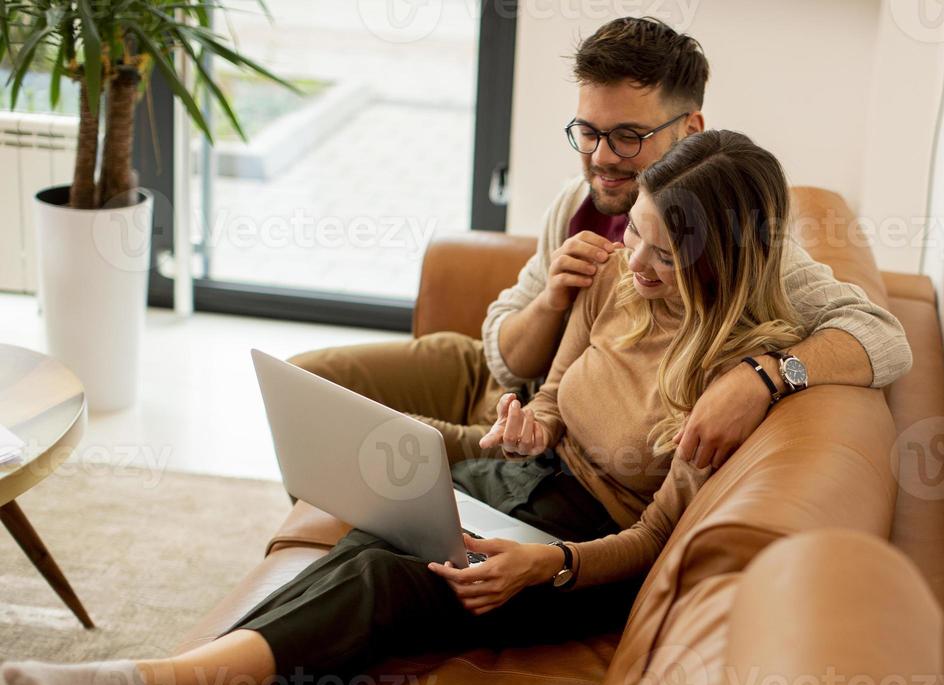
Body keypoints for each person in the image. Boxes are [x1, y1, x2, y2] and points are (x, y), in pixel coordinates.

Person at [2, 131, 826, 685]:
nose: (635, 264)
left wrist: (548, 567)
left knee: (380, 586)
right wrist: (529, 426)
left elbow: (652, 536)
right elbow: (550, 399)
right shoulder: (613, 279)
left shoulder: (730, 378)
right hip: (520, 484)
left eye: (663, 257)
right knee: (369, 538)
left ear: (726, 259)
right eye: (635, 234)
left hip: (582, 554)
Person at [292, 16, 911, 469]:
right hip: (498, 388)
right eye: (587, 132)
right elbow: (504, 353)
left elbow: (882, 336)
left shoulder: (738, 244)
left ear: (691, 128)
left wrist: (766, 377)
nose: (601, 158)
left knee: (340, 439)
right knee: (302, 389)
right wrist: (553, 299)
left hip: (545, 437)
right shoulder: (576, 203)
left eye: (627, 137)